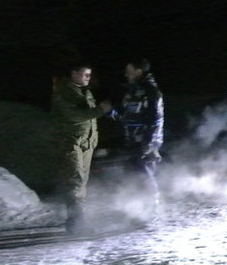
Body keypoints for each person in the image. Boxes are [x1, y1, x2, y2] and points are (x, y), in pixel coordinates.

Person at [50, 62, 112, 230]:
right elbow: (74, 116)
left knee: (81, 182)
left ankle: (77, 220)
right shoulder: (64, 92)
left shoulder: (85, 91)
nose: (88, 78)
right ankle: (76, 223)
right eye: (85, 74)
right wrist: (100, 110)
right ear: (74, 73)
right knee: (75, 182)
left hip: (85, 142)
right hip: (70, 142)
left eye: (89, 75)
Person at [116, 58, 165, 199]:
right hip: (134, 138)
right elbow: (128, 115)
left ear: (138, 71)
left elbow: (155, 118)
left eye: (129, 71)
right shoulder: (133, 90)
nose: (126, 74)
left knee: (144, 171)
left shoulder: (150, 91)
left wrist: (148, 142)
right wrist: (112, 112)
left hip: (146, 140)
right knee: (132, 171)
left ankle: (151, 205)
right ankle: (135, 206)